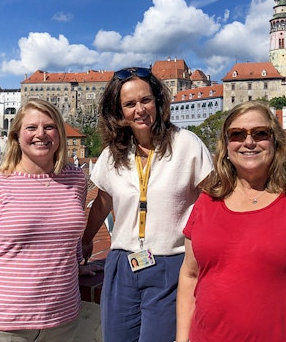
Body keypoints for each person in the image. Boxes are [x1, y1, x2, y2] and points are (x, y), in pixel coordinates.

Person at [176, 100, 286, 342]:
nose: (249, 142)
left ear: (275, 142)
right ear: (226, 145)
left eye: (260, 133)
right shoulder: (207, 202)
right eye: (237, 134)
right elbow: (190, 275)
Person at [82, 67, 213, 342]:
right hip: (121, 263)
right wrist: (85, 241)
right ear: (119, 113)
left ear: (158, 102)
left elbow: (214, 198)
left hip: (171, 262)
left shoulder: (186, 144)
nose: (139, 110)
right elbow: (102, 201)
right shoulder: (113, 154)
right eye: (129, 104)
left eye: (146, 100)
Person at [0, 98, 91, 342]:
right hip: (7, 324)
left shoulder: (75, 180)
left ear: (59, 134)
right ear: (16, 136)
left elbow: (68, 233)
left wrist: (76, 264)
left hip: (63, 318)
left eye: (49, 127)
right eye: (31, 128)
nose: (41, 134)